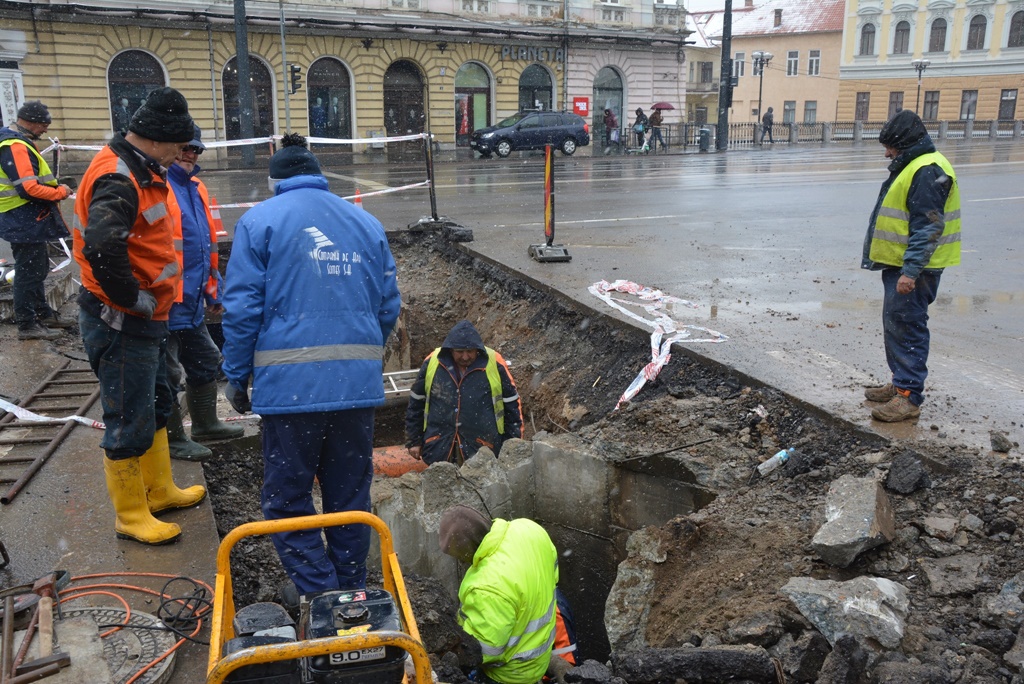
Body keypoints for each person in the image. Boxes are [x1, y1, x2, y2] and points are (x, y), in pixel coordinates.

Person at [221, 133, 401, 595]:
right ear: (319, 176)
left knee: (286, 500)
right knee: (349, 498)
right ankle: (352, 590)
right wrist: (357, 359)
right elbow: (386, 307)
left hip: (291, 394)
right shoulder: (365, 223)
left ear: (274, 181)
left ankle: (320, 591)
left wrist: (237, 375)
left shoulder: (259, 222)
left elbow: (243, 310)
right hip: (355, 393)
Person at [73, 87, 205, 546]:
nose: (181, 152)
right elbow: (102, 246)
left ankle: (159, 489)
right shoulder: (119, 175)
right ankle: (131, 513)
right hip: (122, 319)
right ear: (156, 138)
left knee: (156, 401)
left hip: (148, 316)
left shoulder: (141, 166)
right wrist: (131, 298)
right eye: (178, 144)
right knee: (128, 412)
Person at [862, 110, 960, 423]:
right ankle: (899, 383)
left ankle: (908, 396)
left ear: (906, 142)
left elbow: (928, 226)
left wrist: (911, 271)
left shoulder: (927, 170)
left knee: (907, 327)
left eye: (891, 146)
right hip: (903, 264)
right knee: (897, 325)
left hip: (916, 269)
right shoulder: (915, 164)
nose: (887, 152)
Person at [164, 124, 243, 461]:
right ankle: (172, 439)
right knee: (165, 375)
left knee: (206, 360)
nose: (190, 154)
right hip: (164, 303)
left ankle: (205, 424)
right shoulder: (158, 185)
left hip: (191, 301)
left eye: (195, 149)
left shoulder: (194, 187)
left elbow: (205, 247)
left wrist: (214, 291)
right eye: (184, 147)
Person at [438, 505, 577, 684]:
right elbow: (553, 574)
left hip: (510, 676)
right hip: (539, 660)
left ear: (464, 553)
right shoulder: (528, 529)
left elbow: (484, 650)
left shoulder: (487, 586)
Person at [0, 101, 75, 341]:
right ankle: (27, 324)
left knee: (38, 267)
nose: (45, 130)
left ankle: (43, 314)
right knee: (28, 271)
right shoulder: (15, 146)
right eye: (44, 124)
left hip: (22, 217)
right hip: (22, 218)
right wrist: (60, 192)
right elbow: (28, 188)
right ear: (31, 121)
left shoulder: (15, 143)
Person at [405, 319, 522, 466]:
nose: (465, 357)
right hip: (439, 446)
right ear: (450, 350)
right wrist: (413, 440)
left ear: (477, 349)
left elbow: (512, 406)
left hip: (482, 449)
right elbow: (416, 403)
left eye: (470, 351)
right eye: (460, 352)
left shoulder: (494, 362)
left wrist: (514, 444)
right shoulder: (433, 361)